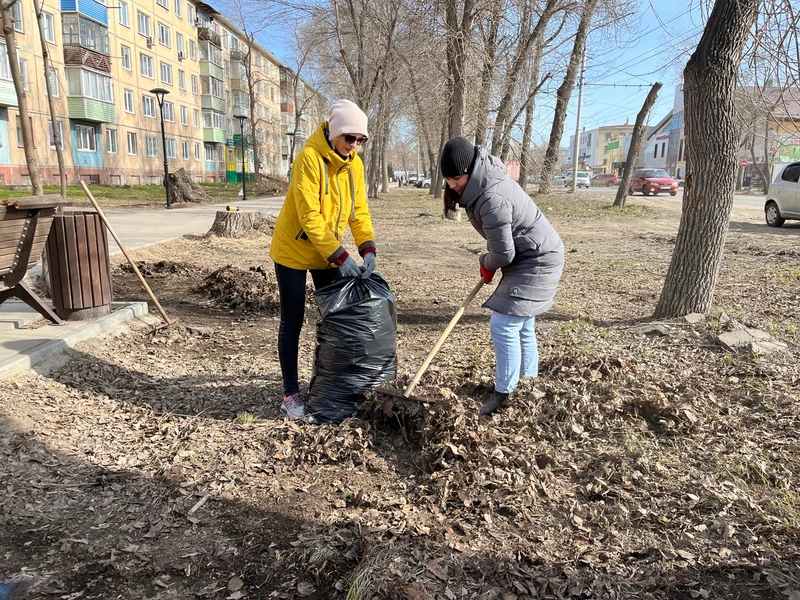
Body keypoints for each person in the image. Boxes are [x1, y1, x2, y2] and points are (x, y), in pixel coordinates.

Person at [440, 136, 564, 415]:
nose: (452, 185)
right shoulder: (484, 184)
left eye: (456, 178)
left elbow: (504, 254)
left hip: (536, 260)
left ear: (471, 170)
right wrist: (492, 260)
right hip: (531, 255)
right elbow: (505, 249)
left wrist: (486, 260)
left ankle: (505, 393)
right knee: (521, 326)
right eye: (447, 179)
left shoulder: (491, 197)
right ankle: (528, 384)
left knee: (504, 325)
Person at [269, 99, 376, 419]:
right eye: (350, 138)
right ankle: (290, 392)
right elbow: (309, 216)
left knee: (336, 318)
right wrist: (341, 255)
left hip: (326, 252)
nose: (355, 146)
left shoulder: (353, 164)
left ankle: (330, 381)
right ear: (335, 133)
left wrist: (367, 247)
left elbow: (359, 212)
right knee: (293, 319)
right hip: (293, 250)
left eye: (361, 140)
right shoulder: (309, 159)